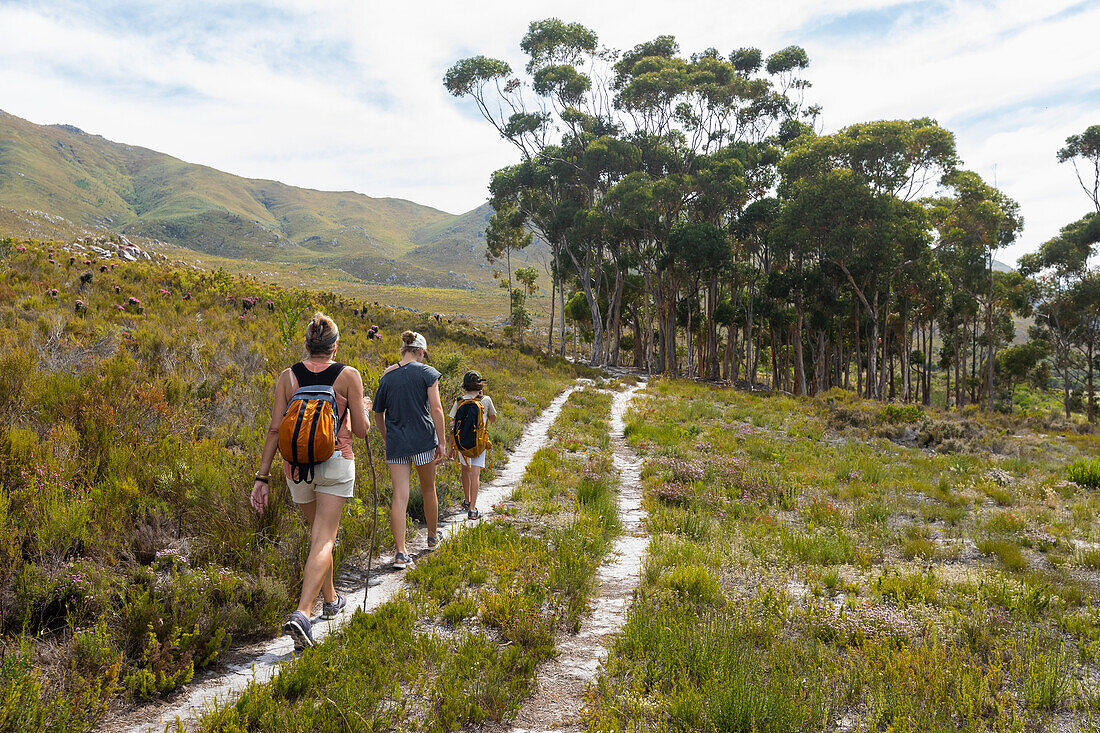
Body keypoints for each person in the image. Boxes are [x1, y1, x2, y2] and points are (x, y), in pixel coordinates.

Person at [250, 312, 371, 650]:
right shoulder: (348, 375)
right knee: (323, 540)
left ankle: (331, 599)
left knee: (319, 536)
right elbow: (360, 431)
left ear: (306, 344)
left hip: (295, 467)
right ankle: (303, 613)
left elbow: (275, 429)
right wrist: (364, 408)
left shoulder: (288, 377)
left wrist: (262, 476)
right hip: (335, 461)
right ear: (335, 346)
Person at [372, 330, 446, 569]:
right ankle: (432, 537)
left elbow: (378, 413)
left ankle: (401, 552)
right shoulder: (427, 373)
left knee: (399, 496)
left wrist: (387, 437)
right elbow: (436, 409)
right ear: (421, 351)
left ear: (403, 349)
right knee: (428, 489)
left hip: (397, 443)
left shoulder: (387, 375)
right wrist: (442, 442)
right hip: (423, 439)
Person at [447, 370, 497, 520]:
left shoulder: (459, 401)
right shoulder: (486, 399)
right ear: (479, 385)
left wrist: (452, 447)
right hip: (479, 443)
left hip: (462, 444)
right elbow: (493, 419)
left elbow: (453, 425)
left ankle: (467, 501)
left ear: (464, 386)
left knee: (465, 469)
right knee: (475, 474)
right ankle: (473, 509)